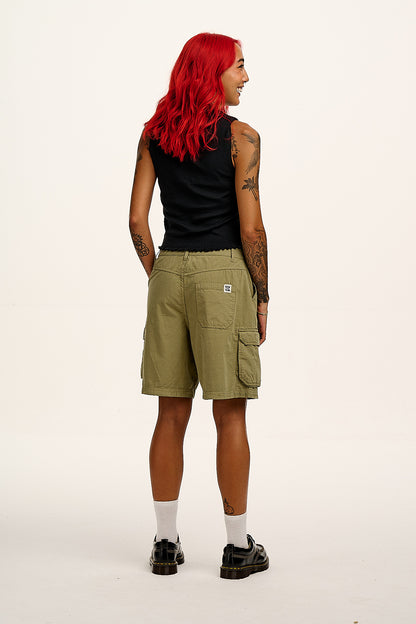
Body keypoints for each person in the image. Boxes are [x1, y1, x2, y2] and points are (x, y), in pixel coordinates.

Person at [128, 32, 269, 580]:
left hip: (169, 271)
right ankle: (237, 549)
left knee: (170, 412)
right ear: (213, 73)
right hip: (224, 274)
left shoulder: (154, 134)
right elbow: (251, 228)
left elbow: (137, 220)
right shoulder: (242, 137)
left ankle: (165, 544)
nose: (245, 77)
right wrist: (262, 295)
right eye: (238, 66)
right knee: (229, 412)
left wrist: (162, 274)